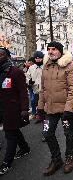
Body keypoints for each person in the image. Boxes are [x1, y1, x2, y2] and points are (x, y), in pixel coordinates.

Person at [37, 41, 73, 176]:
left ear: (60, 51)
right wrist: (40, 106)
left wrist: (69, 108)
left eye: (53, 49)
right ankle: (56, 160)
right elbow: (42, 89)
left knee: (68, 133)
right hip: (49, 109)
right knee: (46, 133)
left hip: (65, 109)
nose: (50, 51)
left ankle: (69, 158)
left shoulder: (69, 66)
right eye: (49, 49)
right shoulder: (46, 66)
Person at [0, 46, 30, 175]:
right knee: (13, 130)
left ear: (7, 56)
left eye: (0, 54)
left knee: (10, 134)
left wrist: (24, 109)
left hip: (12, 109)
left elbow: (23, 92)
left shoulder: (15, 72)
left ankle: (7, 162)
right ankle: (25, 148)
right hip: (0, 109)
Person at [26, 51, 44, 124]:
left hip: (45, 89)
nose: (38, 60)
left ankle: (45, 118)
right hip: (35, 89)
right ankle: (39, 116)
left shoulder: (46, 67)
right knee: (36, 103)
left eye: (40, 58)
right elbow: (27, 77)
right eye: (36, 58)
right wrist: (29, 82)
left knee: (44, 104)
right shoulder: (31, 68)